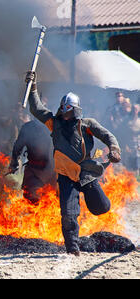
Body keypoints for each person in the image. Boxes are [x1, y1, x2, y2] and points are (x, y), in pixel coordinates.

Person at [25, 70, 122, 256]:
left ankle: (95, 210)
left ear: (75, 108)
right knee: (69, 214)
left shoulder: (87, 124)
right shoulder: (54, 123)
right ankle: (73, 248)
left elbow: (107, 136)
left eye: (67, 108)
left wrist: (115, 149)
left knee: (102, 207)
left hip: (86, 172)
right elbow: (36, 109)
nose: (64, 111)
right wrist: (33, 88)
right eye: (63, 107)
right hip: (65, 174)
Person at [8, 115, 56, 204]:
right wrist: (14, 163)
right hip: (50, 171)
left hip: (40, 171)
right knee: (47, 201)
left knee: (34, 199)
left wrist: (13, 163)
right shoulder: (56, 126)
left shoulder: (28, 127)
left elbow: (18, 147)